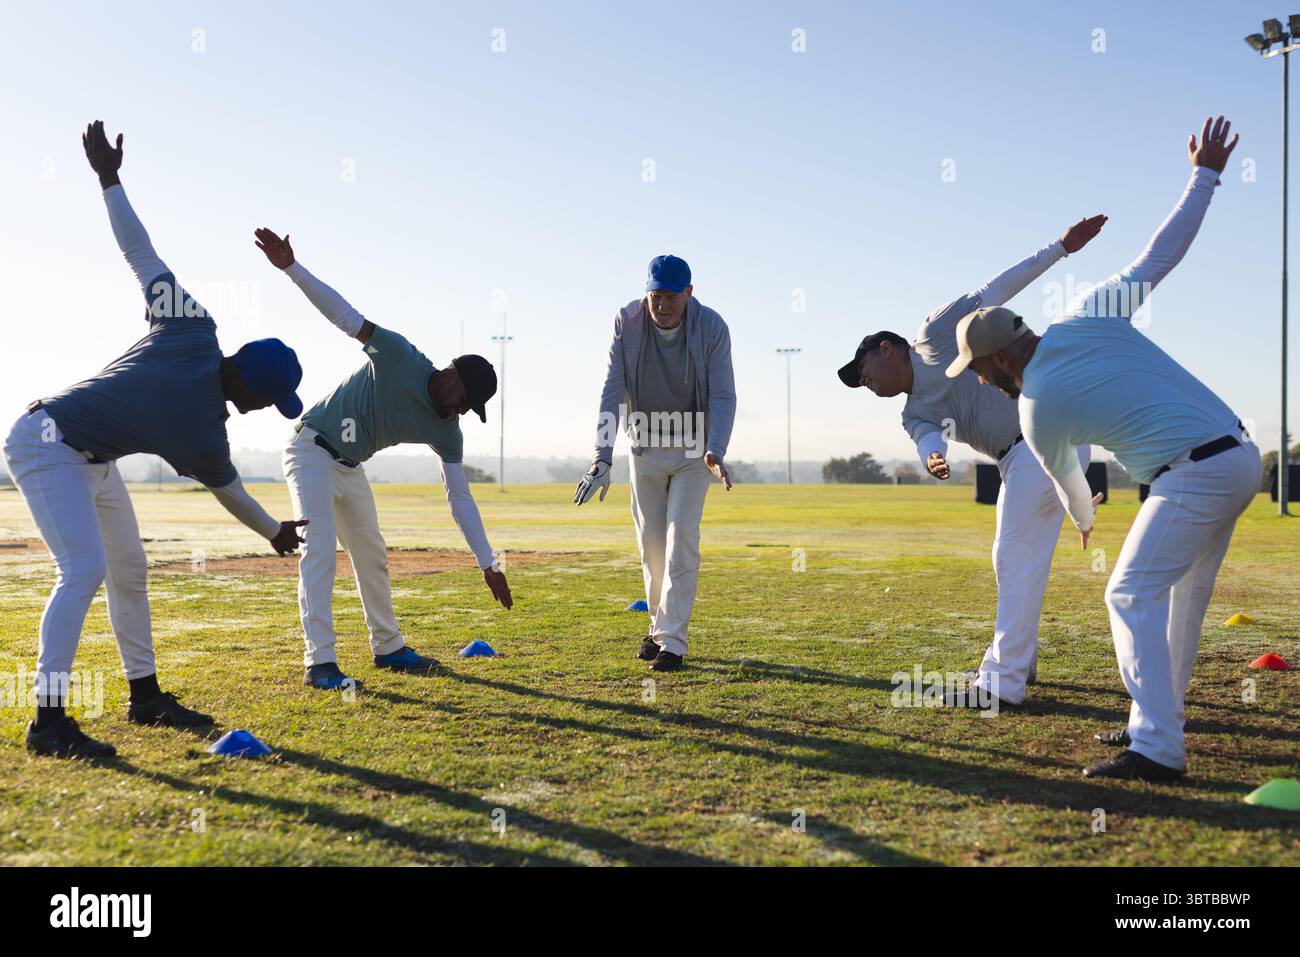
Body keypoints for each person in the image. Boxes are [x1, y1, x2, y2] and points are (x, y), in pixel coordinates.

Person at [949, 116, 1256, 781]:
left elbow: (1067, 482)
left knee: (1127, 593)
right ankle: (1160, 722)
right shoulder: (1085, 311)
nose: (977, 380)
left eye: (977, 368)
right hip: (1237, 458)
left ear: (1001, 359)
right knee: (1175, 603)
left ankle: (1156, 748)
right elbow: (1159, 255)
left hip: (1193, 474)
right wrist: (1205, 174)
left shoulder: (1034, 407)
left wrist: (1086, 524)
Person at [2, 122, 308, 759]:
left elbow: (140, 253)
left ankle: (144, 697)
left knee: (129, 570)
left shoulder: (195, 327)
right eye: (265, 402)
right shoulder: (204, 430)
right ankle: (48, 721)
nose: (258, 412)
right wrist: (274, 532)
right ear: (249, 389)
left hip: (89, 456)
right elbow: (234, 496)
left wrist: (110, 181)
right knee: (83, 569)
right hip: (46, 442)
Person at [835, 214, 1106, 706]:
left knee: (1012, 557)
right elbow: (925, 441)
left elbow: (996, 290)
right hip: (1028, 454)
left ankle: (1000, 684)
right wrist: (933, 457)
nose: (865, 383)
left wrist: (1059, 249)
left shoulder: (936, 332)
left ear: (886, 348)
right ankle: (1018, 664)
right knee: (1016, 563)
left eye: (863, 371)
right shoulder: (915, 411)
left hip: (1042, 437)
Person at [253, 228, 513, 690]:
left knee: (372, 555)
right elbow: (344, 315)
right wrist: (292, 268)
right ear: (450, 373)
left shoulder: (447, 431)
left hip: (350, 467)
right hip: (310, 449)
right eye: (463, 398)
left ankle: (388, 648)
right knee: (319, 551)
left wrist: (487, 562)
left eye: (469, 409)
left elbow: (460, 499)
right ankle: (320, 663)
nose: (460, 410)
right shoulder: (399, 356)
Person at [574, 255, 736, 672]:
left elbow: (723, 395)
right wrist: (602, 457)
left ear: (689, 293)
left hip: (694, 451)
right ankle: (657, 627)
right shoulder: (627, 321)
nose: (662, 305)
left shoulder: (713, 327)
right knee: (652, 547)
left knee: (682, 536)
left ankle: (673, 643)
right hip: (643, 446)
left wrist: (716, 448)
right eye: (655, 296)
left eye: (670, 297)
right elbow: (612, 390)